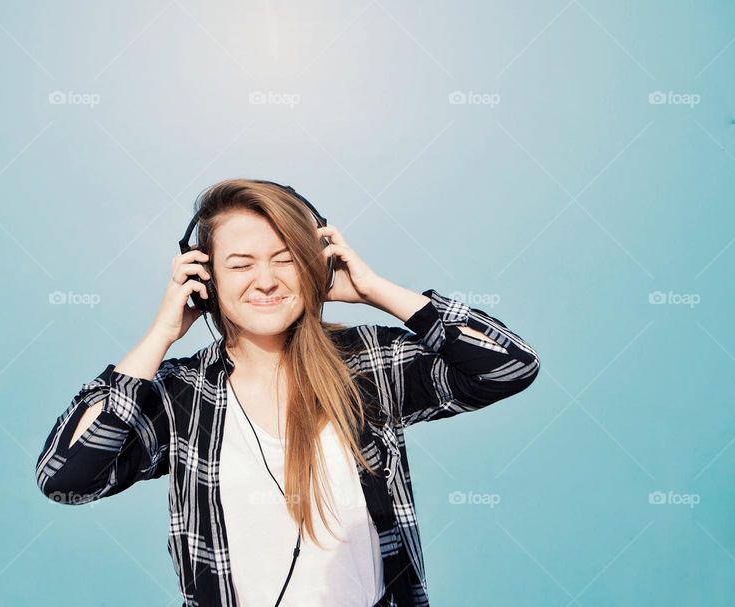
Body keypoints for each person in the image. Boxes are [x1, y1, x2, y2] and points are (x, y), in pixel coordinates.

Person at [35, 178, 540, 607]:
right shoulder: (180, 397)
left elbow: (509, 366)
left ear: (314, 265)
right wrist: (160, 335)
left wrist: (375, 290)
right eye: (240, 264)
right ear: (203, 277)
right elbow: (67, 478)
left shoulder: (365, 366)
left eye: (285, 259)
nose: (266, 280)